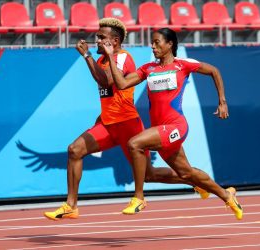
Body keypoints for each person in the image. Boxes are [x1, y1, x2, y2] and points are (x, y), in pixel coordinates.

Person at [44, 19, 209, 221]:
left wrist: (86, 56)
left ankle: (195, 180)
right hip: (108, 125)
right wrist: (101, 117)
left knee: (149, 175)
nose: (97, 40)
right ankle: (71, 205)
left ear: (114, 41)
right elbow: (107, 94)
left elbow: (108, 81)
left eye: (101, 37)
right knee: (74, 150)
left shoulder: (122, 57)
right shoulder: (102, 60)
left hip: (128, 125)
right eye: (97, 36)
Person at [102, 28, 243, 220]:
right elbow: (121, 84)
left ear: (170, 44)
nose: (153, 46)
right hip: (161, 129)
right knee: (186, 174)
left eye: (157, 42)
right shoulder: (147, 69)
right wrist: (110, 57)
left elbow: (214, 71)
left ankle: (139, 198)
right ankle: (227, 195)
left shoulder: (183, 65)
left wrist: (222, 101)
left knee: (134, 144)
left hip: (176, 126)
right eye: (152, 43)